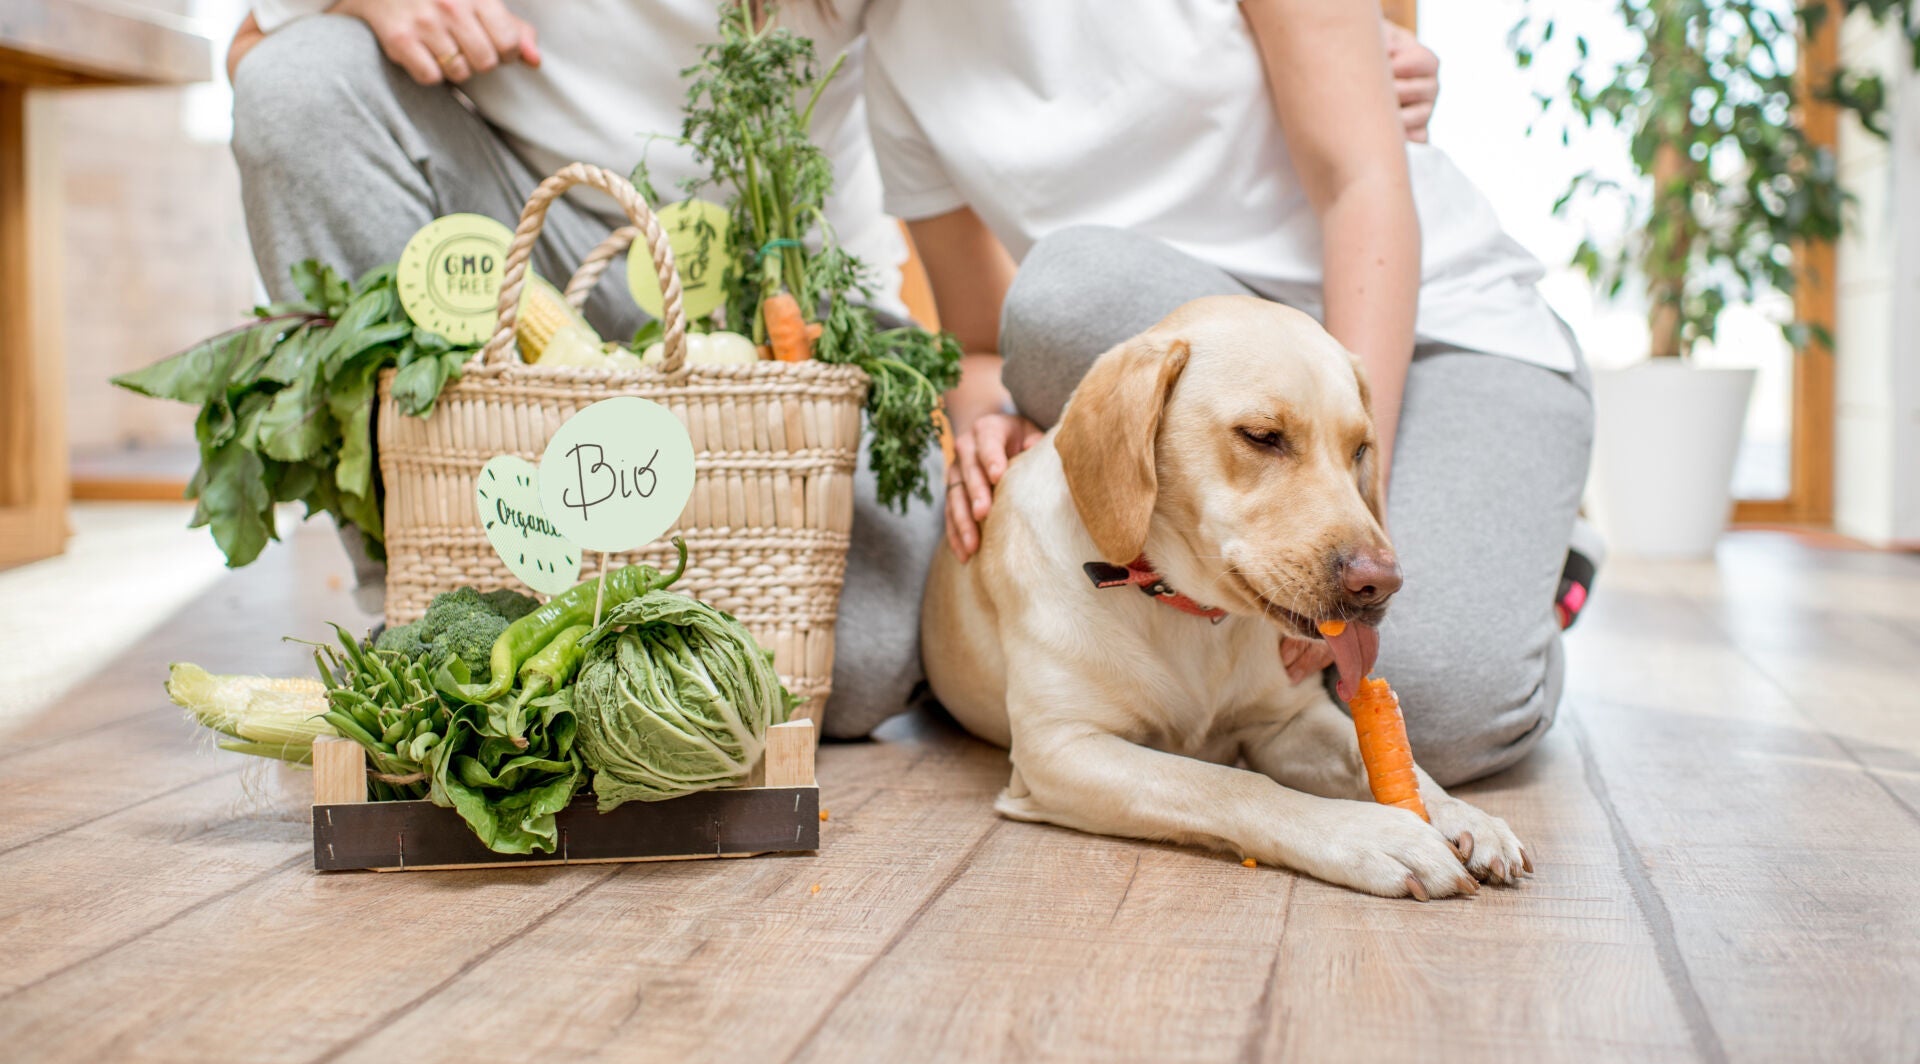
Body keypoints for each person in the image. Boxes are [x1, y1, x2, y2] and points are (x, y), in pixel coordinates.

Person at [223, 0, 1442, 741]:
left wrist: (1312, 46)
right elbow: (252, 56)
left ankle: (633, 589)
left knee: (847, 678)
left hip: (794, 301)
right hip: (526, 240)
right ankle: (431, 599)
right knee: (300, 82)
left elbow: (1067, 58)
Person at [843, 0, 1592, 784]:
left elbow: (1362, 187)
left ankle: (1545, 559)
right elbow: (984, 340)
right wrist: (996, 419)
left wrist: (1355, 510)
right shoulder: (896, 42)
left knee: (1441, 720)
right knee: (1064, 296)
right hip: (1186, 354)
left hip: (1439, 329)